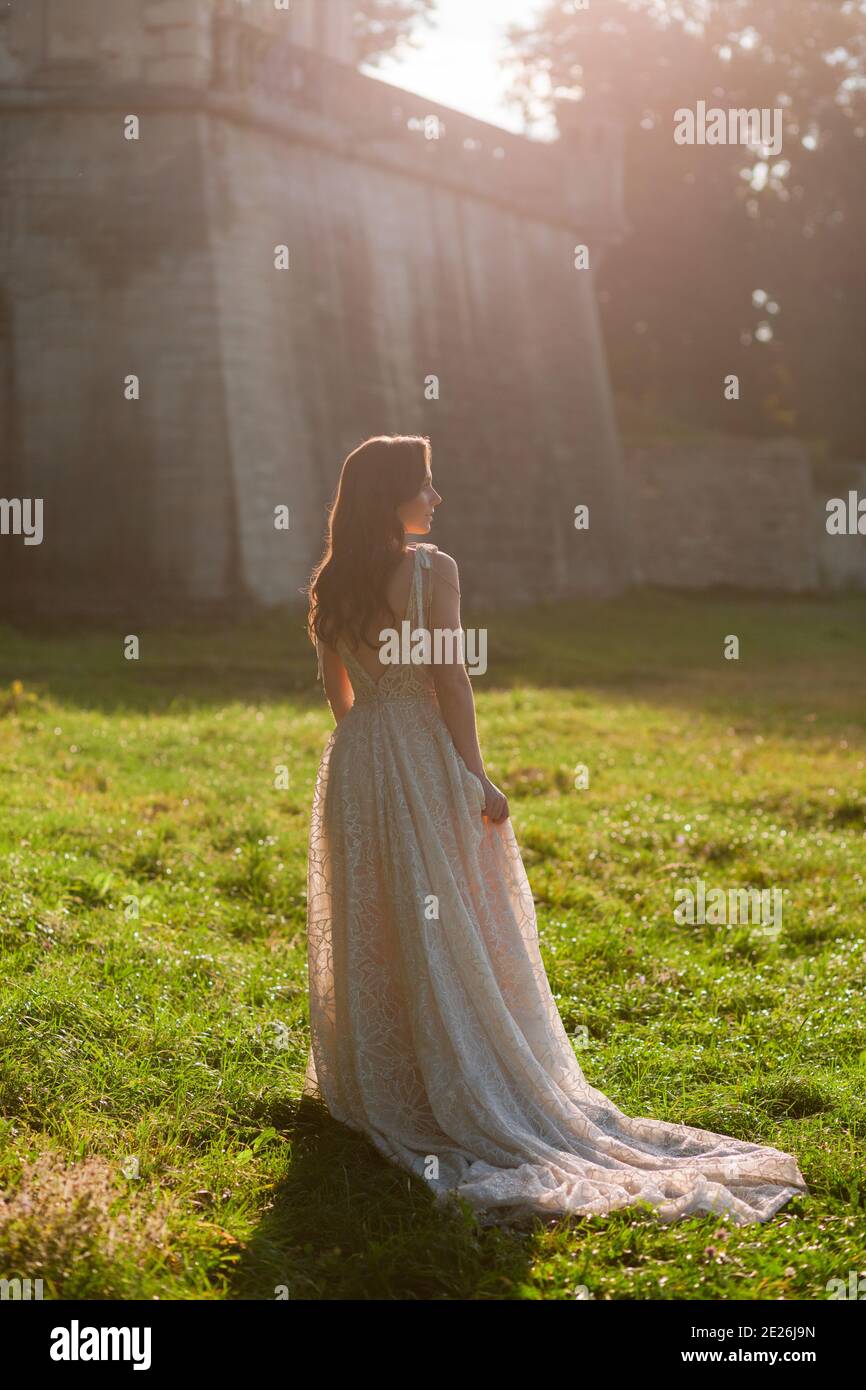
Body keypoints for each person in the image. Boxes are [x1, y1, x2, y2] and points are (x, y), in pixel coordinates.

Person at [303, 434, 808, 1227]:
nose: (436, 500)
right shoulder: (433, 571)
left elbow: (336, 688)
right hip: (417, 750)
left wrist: (367, 747)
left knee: (381, 913)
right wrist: (475, 773)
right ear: (393, 492)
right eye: (425, 487)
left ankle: (391, 1069)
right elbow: (449, 678)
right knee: (454, 911)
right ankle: (462, 1069)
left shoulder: (335, 578)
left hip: (358, 760)